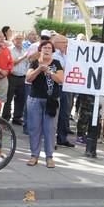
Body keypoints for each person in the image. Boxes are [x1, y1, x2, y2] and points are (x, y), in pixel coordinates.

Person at [25, 40, 64, 168]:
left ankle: (49, 157)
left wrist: (49, 72)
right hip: (35, 99)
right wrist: (38, 70)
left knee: (50, 129)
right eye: (44, 47)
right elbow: (28, 78)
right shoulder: (34, 63)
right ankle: (34, 155)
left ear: (52, 51)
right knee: (34, 128)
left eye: (49, 48)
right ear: (40, 50)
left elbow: (60, 79)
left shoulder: (56, 63)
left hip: (51, 100)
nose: (47, 50)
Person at [4, 31, 28, 125]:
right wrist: (23, 57)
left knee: (20, 99)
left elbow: (27, 63)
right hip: (12, 76)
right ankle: (5, 117)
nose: (19, 41)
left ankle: (17, 117)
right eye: (17, 39)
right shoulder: (9, 50)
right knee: (8, 98)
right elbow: (12, 62)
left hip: (22, 77)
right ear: (13, 40)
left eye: (21, 39)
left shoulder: (25, 50)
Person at [0, 31, 13, 102]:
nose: (2, 39)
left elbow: (10, 62)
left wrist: (7, 72)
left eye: (3, 37)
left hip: (4, 78)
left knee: (0, 101)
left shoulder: (6, 49)